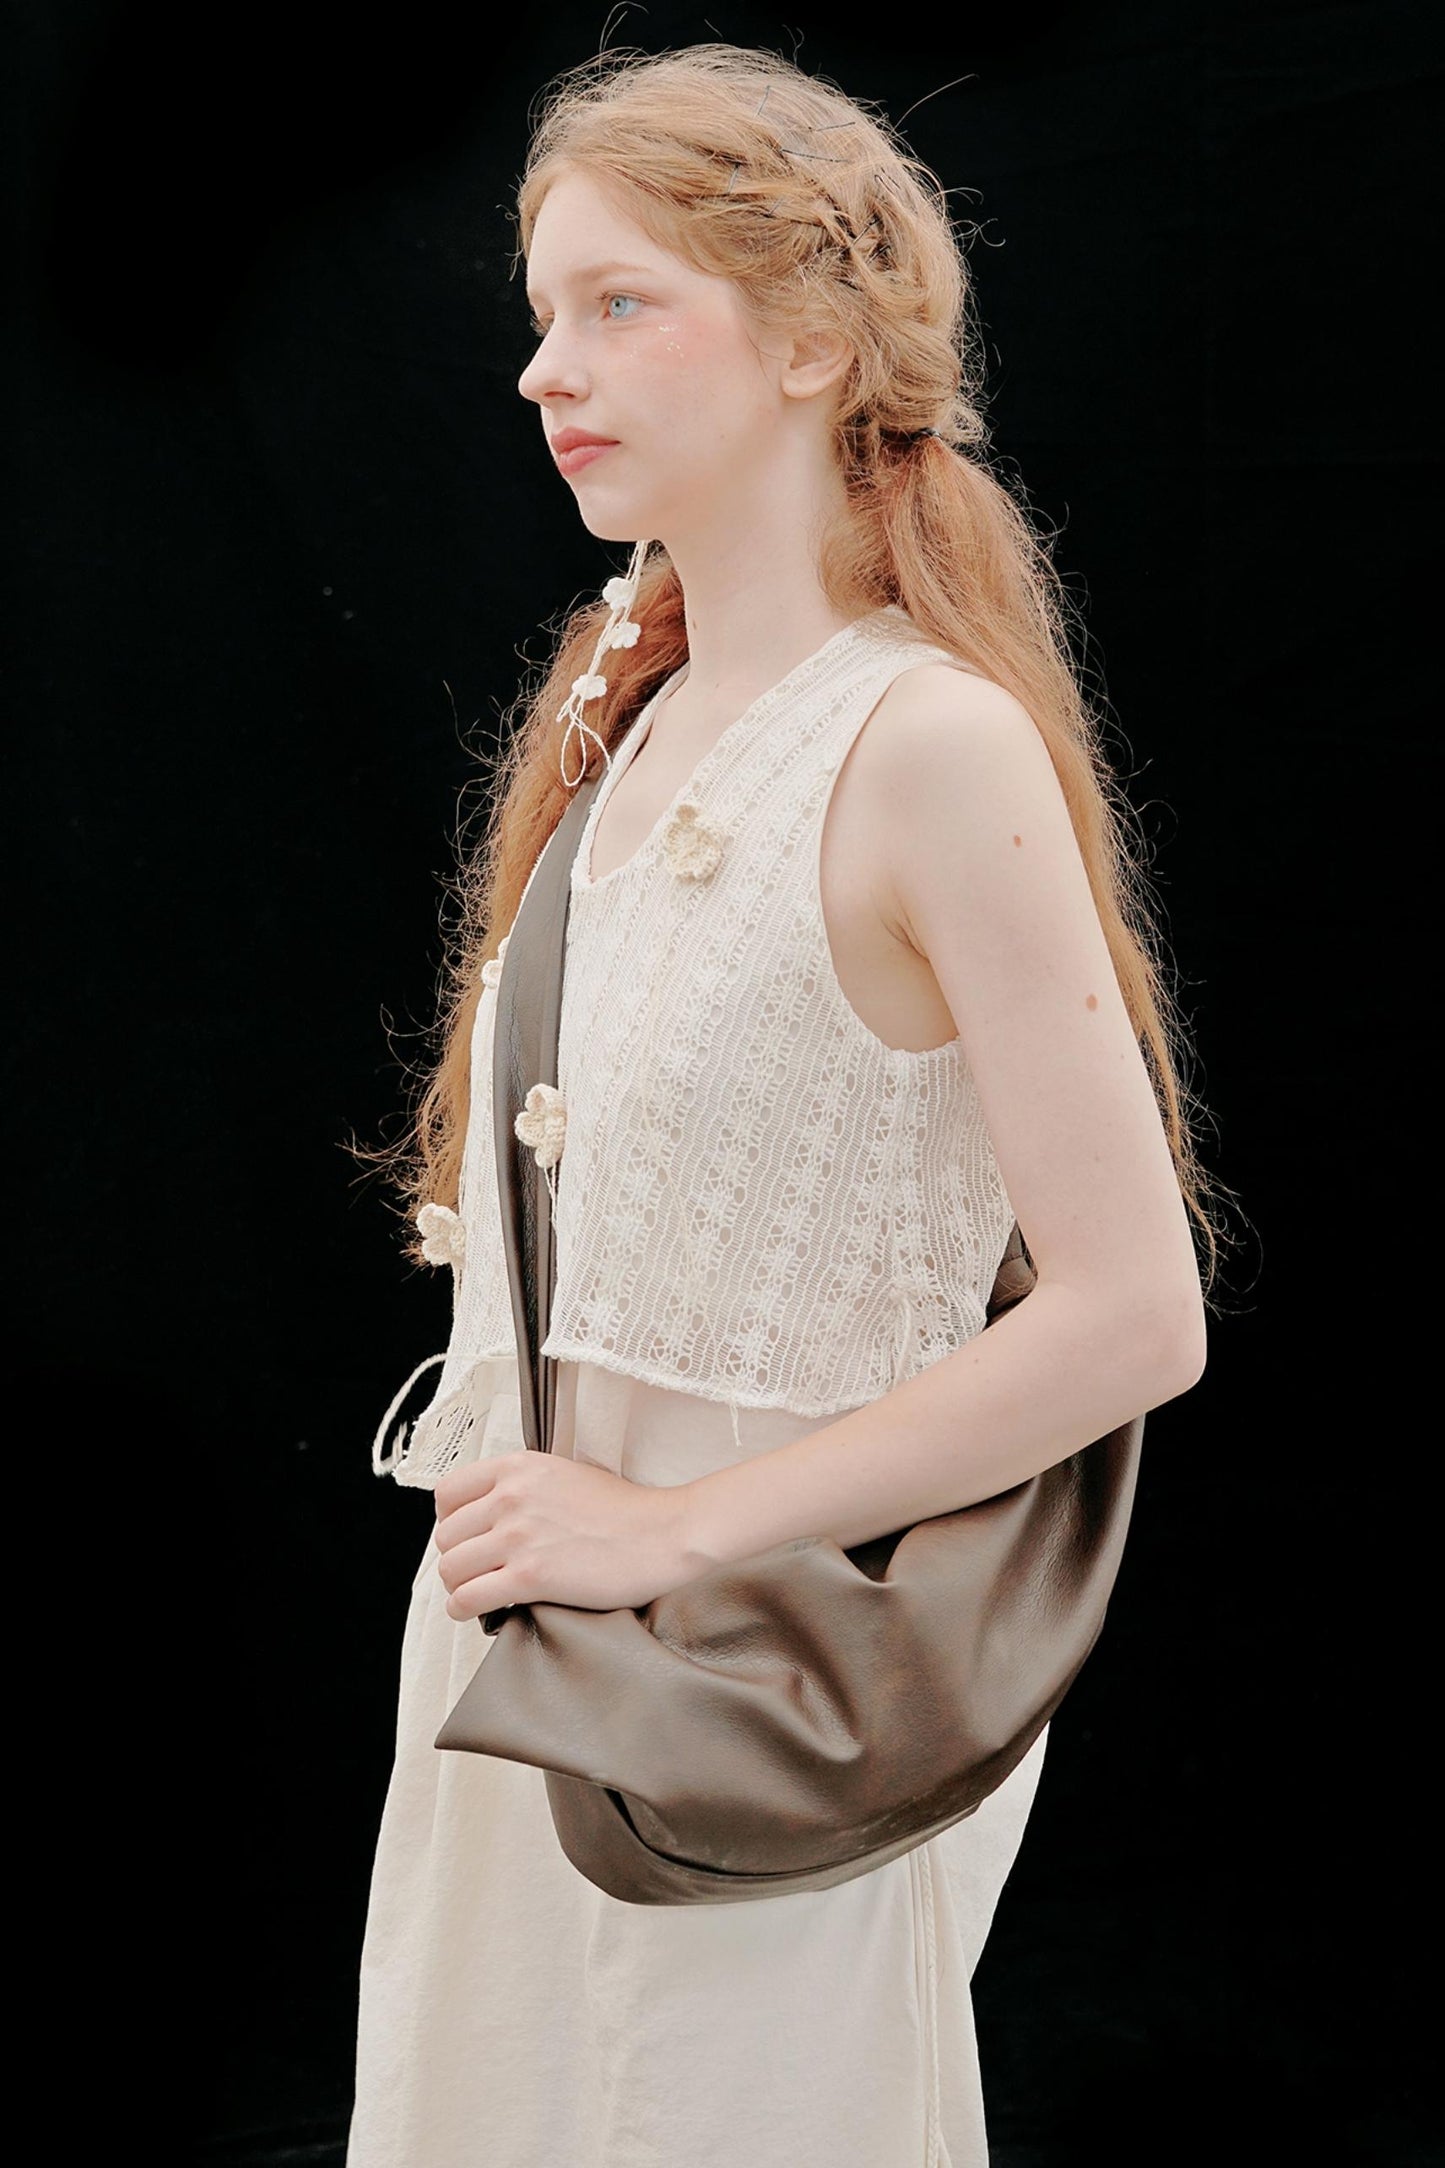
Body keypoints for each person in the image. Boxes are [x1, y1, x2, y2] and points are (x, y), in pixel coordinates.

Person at [347, 41, 1217, 2168]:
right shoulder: (624, 721)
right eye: (542, 314)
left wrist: (668, 1533)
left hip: (761, 1674)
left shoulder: (926, 747)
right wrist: (572, 1544)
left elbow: (1134, 1315)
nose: (548, 369)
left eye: (619, 303)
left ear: (818, 342)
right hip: (528, 1646)